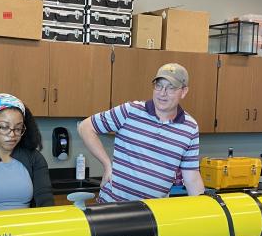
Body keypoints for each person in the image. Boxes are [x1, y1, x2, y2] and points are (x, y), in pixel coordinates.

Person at [78, 63, 205, 202]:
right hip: (111, 208)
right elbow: (85, 127)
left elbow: (191, 176)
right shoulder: (130, 111)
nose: (162, 93)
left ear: (184, 91)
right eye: (159, 85)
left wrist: (206, 210)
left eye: (171, 88)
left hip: (152, 214)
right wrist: (107, 165)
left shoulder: (190, 127)